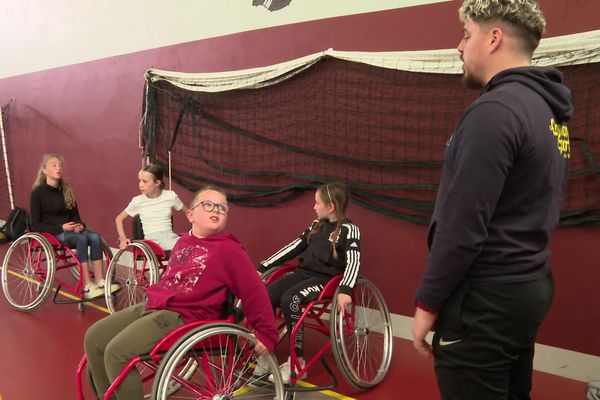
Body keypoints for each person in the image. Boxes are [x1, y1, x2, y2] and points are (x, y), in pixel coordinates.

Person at [412, 1, 573, 399]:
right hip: (526, 289)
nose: (460, 47)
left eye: (466, 34)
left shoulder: (495, 112)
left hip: (484, 302)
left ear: (494, 38)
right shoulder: (547, 112)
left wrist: (427, 303)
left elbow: (462, 226)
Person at [84, 185, 278, 400]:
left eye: (222, 208)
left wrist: (266, 332)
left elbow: (254, 292)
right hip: (155, 305)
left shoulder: (229, 250)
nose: (216, 210)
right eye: (208, 204)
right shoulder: (183, 242)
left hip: (185, 316)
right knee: (94, 338)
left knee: (117, 353)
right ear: (190, 215)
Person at [254, 182, 361, 383]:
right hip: (302, 274)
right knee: (267, 294)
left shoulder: (350, 229)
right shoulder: (316, 225)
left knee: (290, 300)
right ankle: (266, 354)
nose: (314, 207)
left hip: (325, 280)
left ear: (331, 207)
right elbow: (293, 247)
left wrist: (346, 289)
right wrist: (263, 266)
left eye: (317, 203)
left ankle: (298, 360)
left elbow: (354, 261)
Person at [30, 154, 112, 299]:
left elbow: (76, 217)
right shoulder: (37, 193)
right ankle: (87, 284)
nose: (59, 168)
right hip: (52, 232)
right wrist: (62, 227)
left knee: (94, 237)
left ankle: (100, 280)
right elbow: (35, 224)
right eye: (54, 165)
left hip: (71, 229)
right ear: (44, 170)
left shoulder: (66, 190)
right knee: (81, 240)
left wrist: (79, 226)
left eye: (60, 165)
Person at [115, 164, 187, 251]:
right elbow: (119, 219)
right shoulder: (138, 201)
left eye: (145, 181)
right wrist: (123, 239)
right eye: (140, 181)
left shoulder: (170, 196)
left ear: (157, 183)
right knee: (183, 248)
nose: (140, 185)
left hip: (170, 236)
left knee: (190, 244)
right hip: (152, 240)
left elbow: (190, 213)